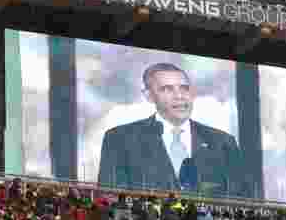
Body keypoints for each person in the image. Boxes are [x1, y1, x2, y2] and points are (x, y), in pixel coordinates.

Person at [97, 63, 248, 198]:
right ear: (149, 96)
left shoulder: (222, 142)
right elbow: (109, 198)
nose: (179, 96)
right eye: (167, 89)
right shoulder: (120, 139)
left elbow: (240, 197)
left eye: (184, 88)